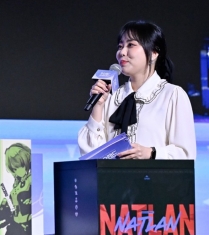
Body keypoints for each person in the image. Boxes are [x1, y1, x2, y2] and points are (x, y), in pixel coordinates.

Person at [78, 20, 196, 160]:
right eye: (120, 46)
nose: (122, 52)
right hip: (113, 175)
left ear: (154, 52)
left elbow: (186, 155)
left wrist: (151, 153)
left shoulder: (172, 95)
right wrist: (98, 106)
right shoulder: (111, 98)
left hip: (154, 175)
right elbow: (89, 154)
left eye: (131, 45)